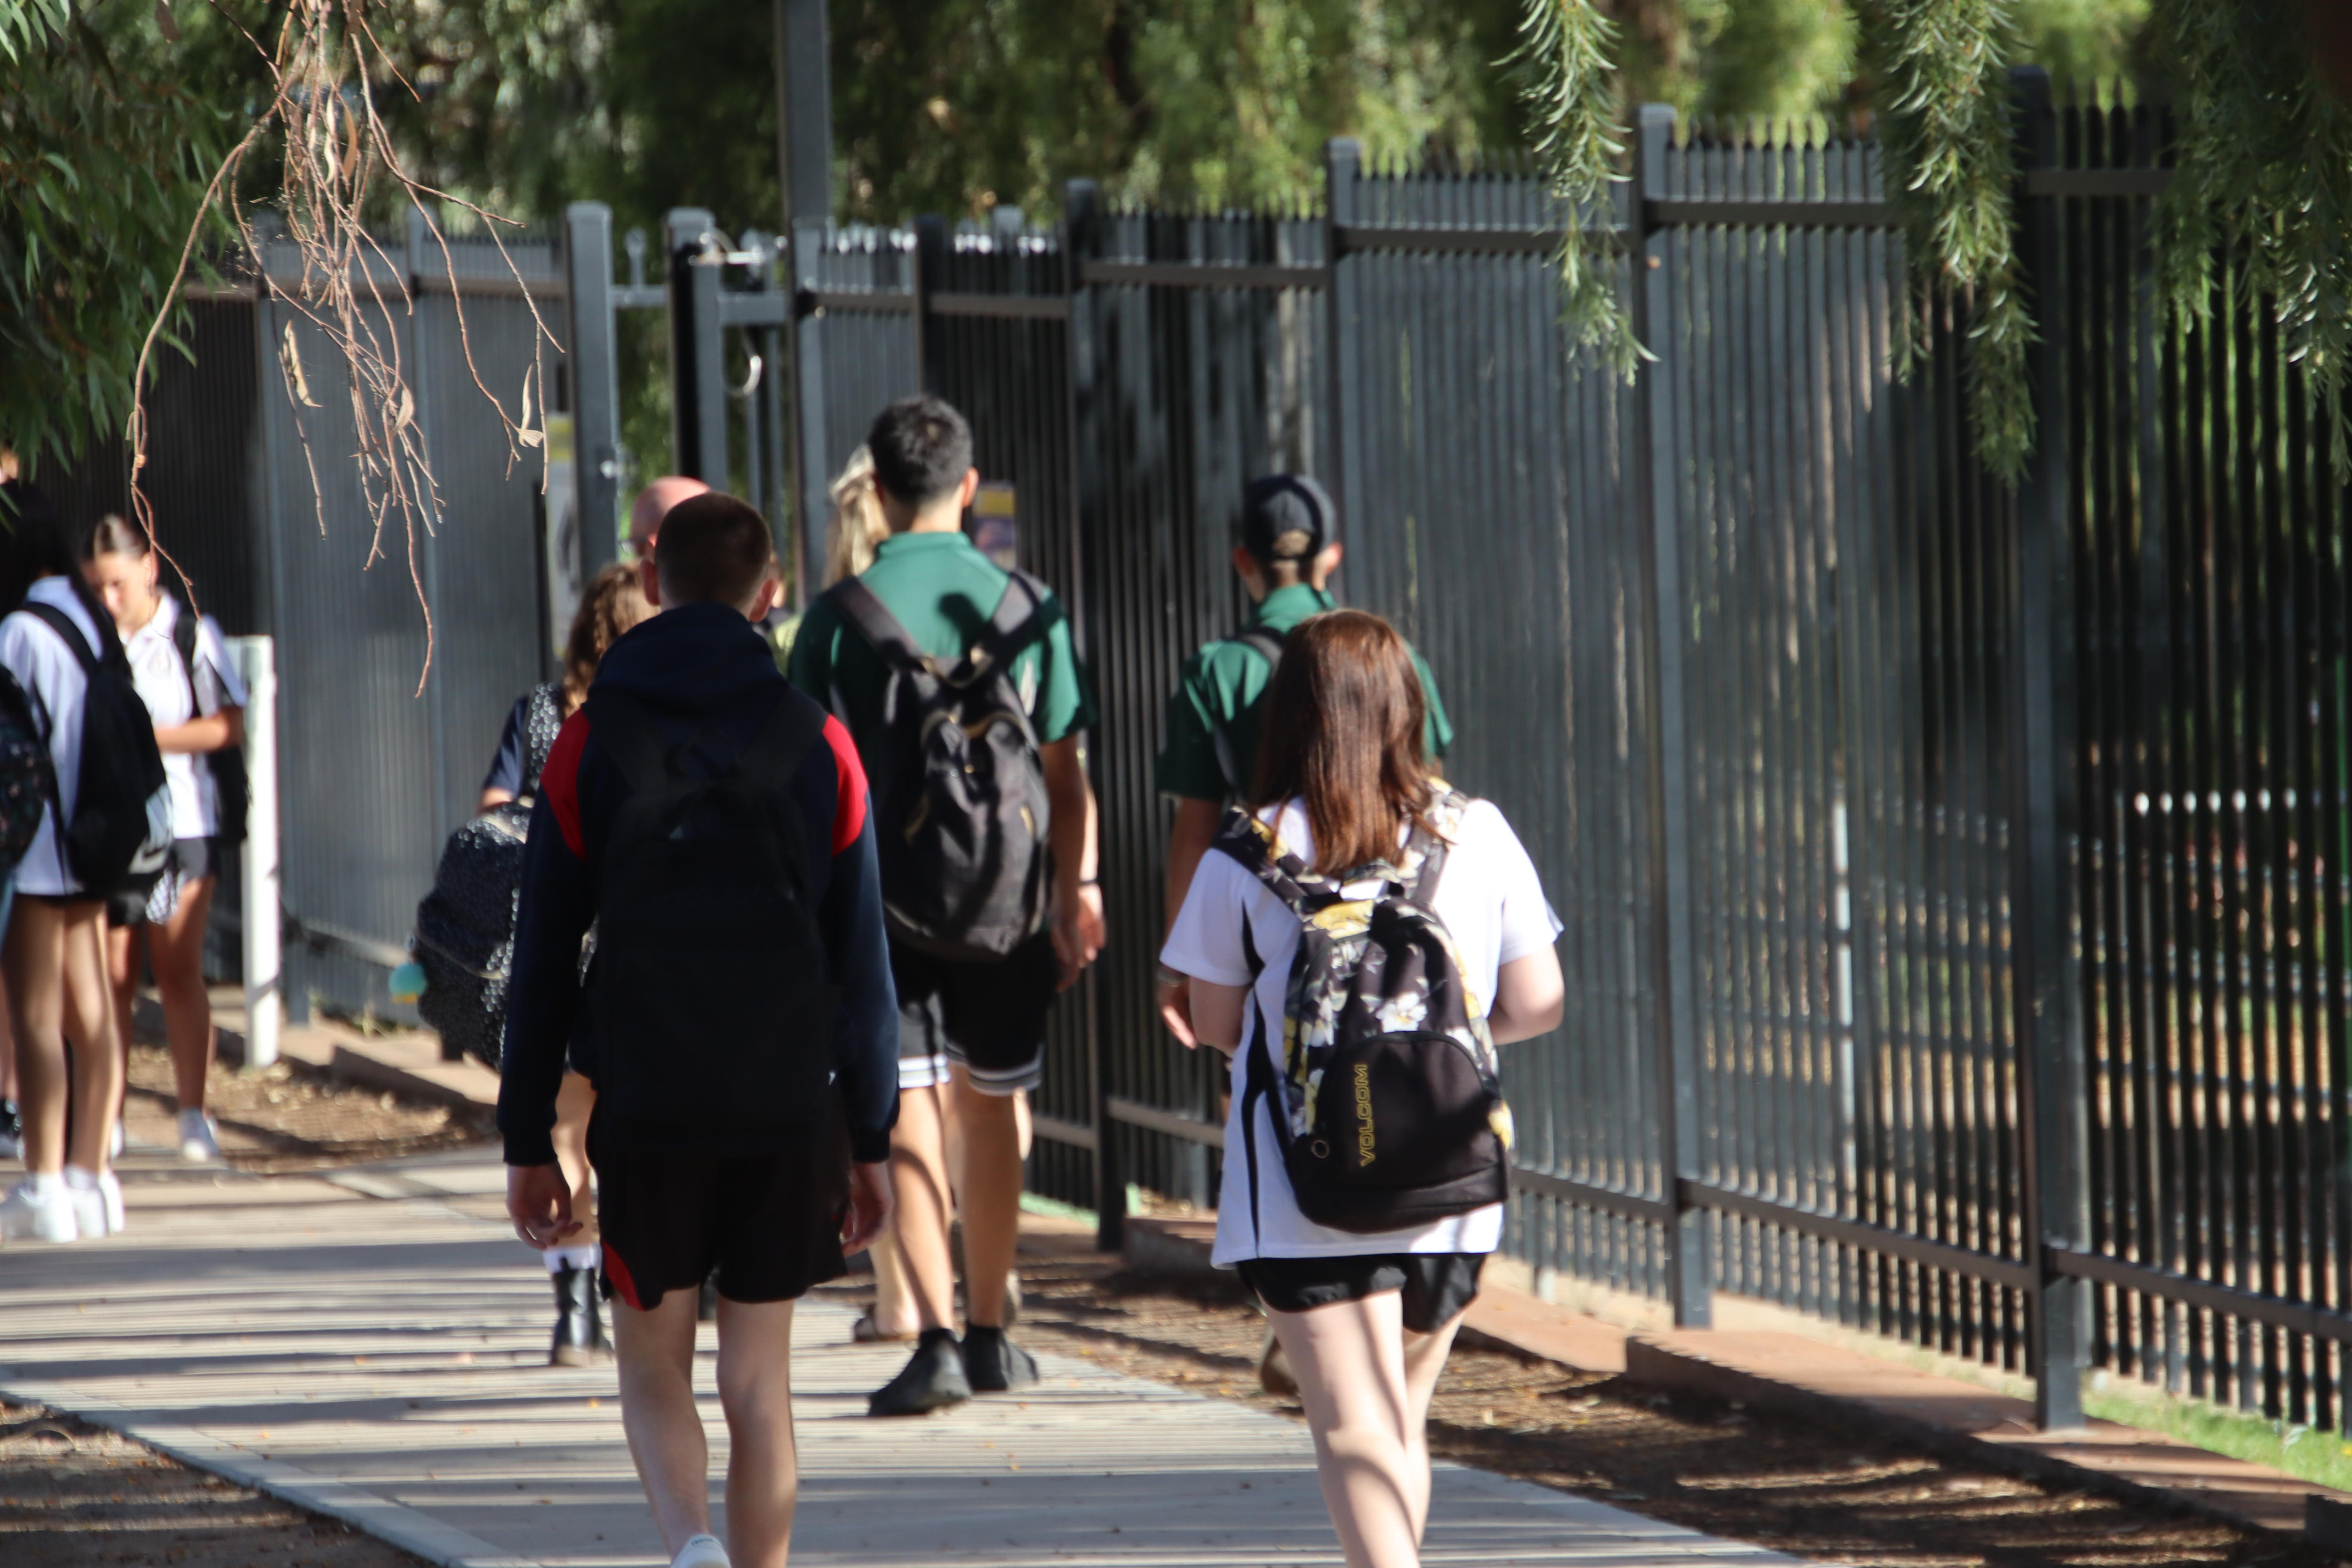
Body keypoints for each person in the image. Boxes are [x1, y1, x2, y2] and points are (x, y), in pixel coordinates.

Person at [501, 492, 898, 1568]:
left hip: (648, 1101)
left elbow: (541, 960)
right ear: (769, 596)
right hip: (785, 1100)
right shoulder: (820, 743)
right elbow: (862, 967)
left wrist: (530, 1140)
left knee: (652, 1369)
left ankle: (691, 1548)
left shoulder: (587, 743)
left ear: (656, 585)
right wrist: (871, 1139)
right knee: (758, 1382)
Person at [1160, 609, 1564, 1568]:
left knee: (1351, 1425)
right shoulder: (1478, 831)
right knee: (1397, 1421)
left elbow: (1215, 1025)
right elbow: (1539, 1000)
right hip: (1450, 1169)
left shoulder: (1245, 848)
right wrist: (1448, 1036)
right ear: (1404, 703)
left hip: (1301, 1184)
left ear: (1288, 714)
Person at [790, 395, 1104, 1416]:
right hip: (1008, 901)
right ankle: (991, 1335)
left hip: (886, 906)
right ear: (968, 488)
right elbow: (1066, 772)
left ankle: (925, 1333)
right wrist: (1077, 889)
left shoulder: (837, 620)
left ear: (876, 492)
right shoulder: (1032, 606)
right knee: (994, 1099)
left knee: (910, 1102)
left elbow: (806, 779)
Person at [1155, 474, 1453, 1050]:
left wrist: (1181, 963)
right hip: (1396, 942)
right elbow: (1429, 796)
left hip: (1267, 937)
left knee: (1262, 1097)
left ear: (1243, 559)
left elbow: (1195, 830)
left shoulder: (1216, 670)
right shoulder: (1396, 660)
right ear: (1332, 556)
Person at [478, 562, 653, 1364]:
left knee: (571, 1130)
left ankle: (576, 1302)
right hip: (640, 952)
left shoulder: (546, 713)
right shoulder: (655, 715)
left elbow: (494, 808)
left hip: (560, 944)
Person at [80, 515, 248, 1165]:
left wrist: (151, 739)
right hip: (115, 825)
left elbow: (227, 725)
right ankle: (108, 1111)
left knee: (178, 969)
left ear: (148, 568)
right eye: (97, 587)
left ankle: (193, 1113)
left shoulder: (190, 635)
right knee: (113, 974)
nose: (109, 599)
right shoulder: (92, 642)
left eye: (117, 583)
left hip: (185, 822)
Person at [0, 484, 134, 1240]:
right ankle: (92, 1176)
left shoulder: (18, 628)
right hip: (98, 839)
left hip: (37, 847)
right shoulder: (90, 617)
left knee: (35, 1017)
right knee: (94, 1012)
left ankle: (44, 1182)